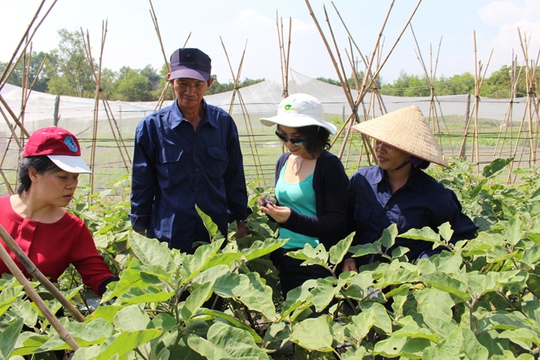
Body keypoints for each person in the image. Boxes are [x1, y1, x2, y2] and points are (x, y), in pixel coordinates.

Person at [130, 48, 249, 253]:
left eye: (197, 84)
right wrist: (139, 231)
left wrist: (241, 219)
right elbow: (142, 184)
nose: (190, 91)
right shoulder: (151, 128)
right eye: (183, 83)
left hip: (214, 236)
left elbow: (234, 176)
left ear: (209, 84)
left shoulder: (224, 124)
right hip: (168, 236)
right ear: (171, 81)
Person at [344, 105, 478, 272]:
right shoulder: (362, 181)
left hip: (407, 282)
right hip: (360, 278)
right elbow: (344, 224)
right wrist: (347, 256)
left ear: (411, 152)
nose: (380, 149)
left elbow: (463, 235)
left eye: (390, 145)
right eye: (378, 142)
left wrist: (427, 260)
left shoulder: (434, 194)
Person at [0, 126, 118, 296]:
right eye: (63, 177)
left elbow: (98, 276)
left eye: (75, 177)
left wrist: (125, 293)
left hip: (42, 318)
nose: (72, 185)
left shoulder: (72, 229)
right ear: (33, 174)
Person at [258, 93, 349, 297]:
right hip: (286, 256)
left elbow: (337, 222)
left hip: (317, 261)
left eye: (296, 140)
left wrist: (292, 219)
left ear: (316, 135)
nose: (289, 144)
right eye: (282, 136)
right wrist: (271, 206)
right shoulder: (284, 161)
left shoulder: (329, 167)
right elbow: (289, 205)